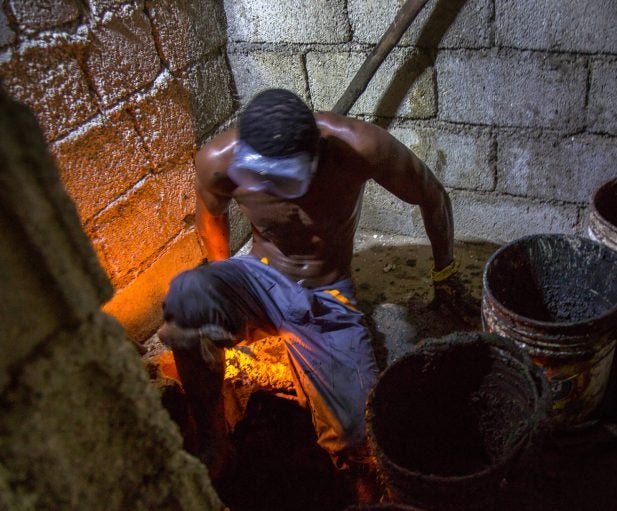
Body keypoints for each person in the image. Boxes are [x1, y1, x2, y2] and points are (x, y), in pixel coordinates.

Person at [157, 88, 472, 500]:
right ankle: (216, 443)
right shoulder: (221, 161)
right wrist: (224, 290)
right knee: (187, 298)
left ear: (316, 154)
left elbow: (432, 195)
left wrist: (444, 272)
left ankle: (355, 490)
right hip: (260, 278)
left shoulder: (360, 147)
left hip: (326, 296)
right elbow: (210, 220)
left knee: (358, 431)